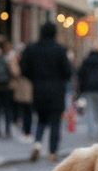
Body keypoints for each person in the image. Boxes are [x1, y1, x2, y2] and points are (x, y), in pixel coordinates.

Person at [20, 21, 73, 162]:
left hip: (38, 89)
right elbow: (68, 71)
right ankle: (52, 152)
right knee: (56, 121)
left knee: (41, 119)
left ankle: (37, 143)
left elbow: (23, 69)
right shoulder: (60, 50)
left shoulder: (32, 49)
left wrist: (35, 78)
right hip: (56, 90)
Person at [75, 49, 98, 136]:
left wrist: (81, 89)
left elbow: (80, 76)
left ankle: (91, 131)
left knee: (90, 110)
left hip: (88, 89)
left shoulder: (85, 62)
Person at [0, 38, 13, 137]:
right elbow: (14, 71)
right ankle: (7, 130)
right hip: (6, 86)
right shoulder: (7, 57)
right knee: (7, 109)